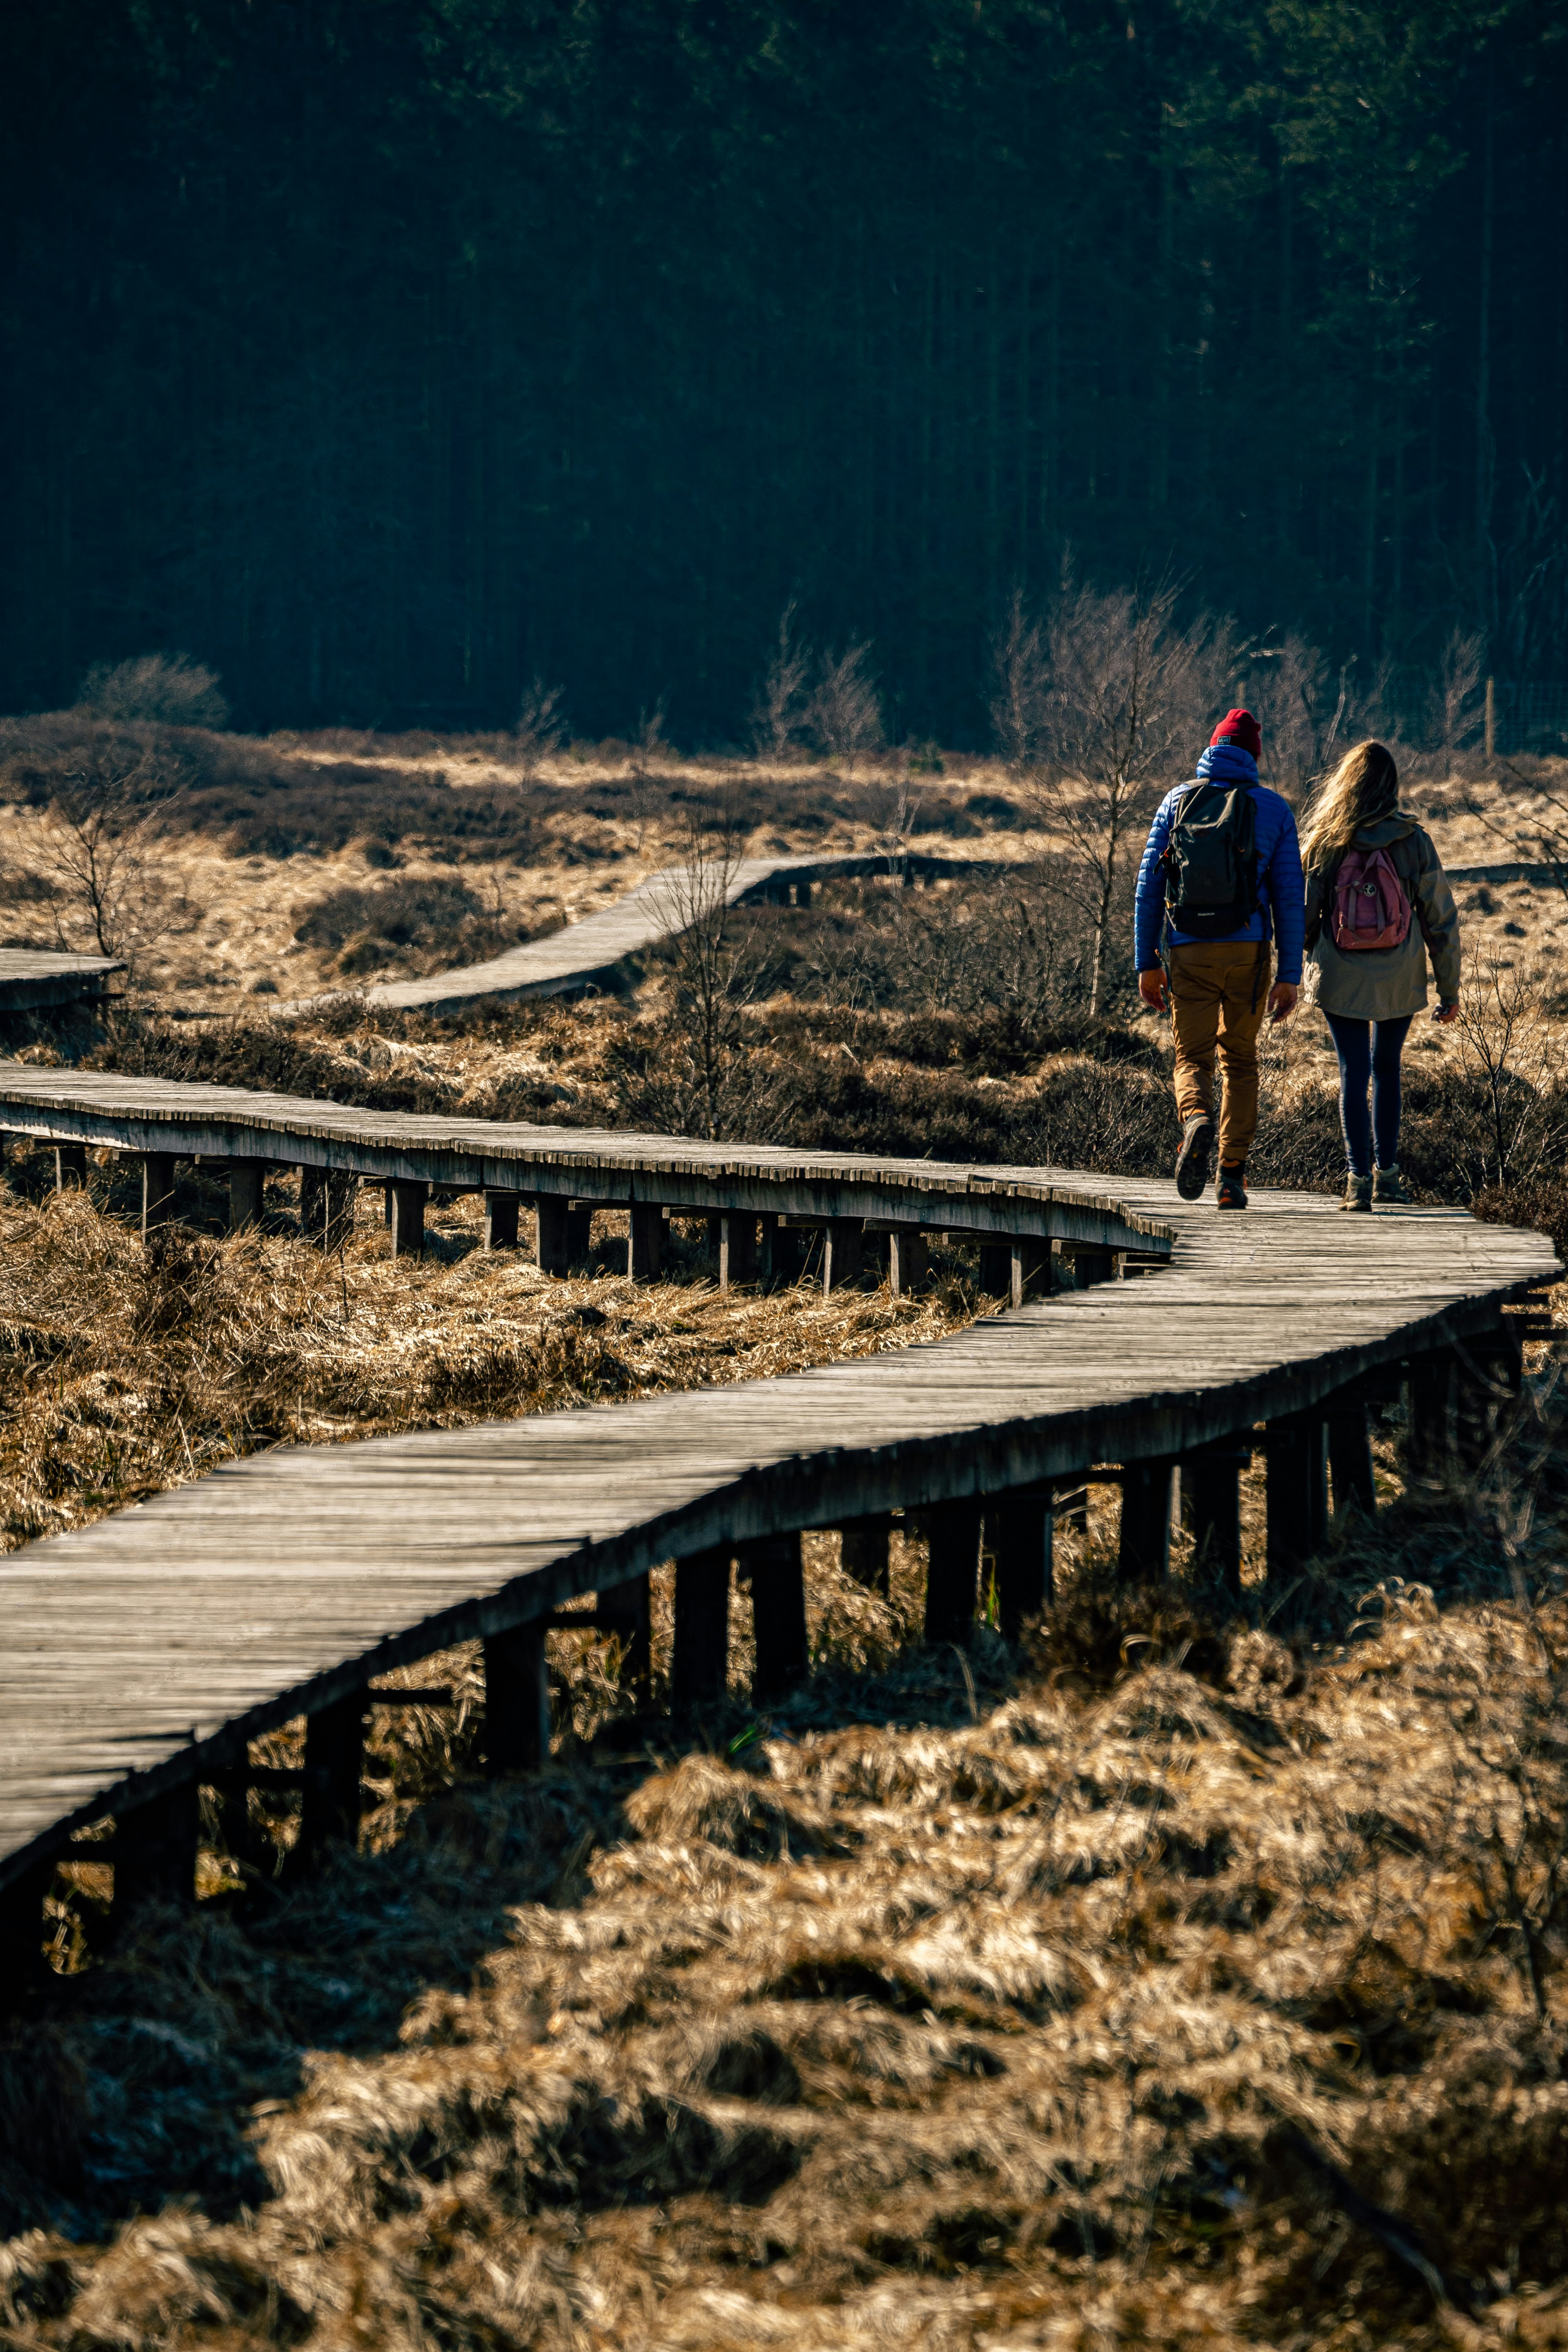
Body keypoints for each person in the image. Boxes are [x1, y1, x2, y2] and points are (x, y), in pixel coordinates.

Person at [1134, 707, 1304, 1209]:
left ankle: (1195, 1120)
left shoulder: (1176, 801)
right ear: (1254, 755)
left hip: (1188, 948)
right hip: (1247, 952)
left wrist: (1147, 960)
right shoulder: (1274, 809)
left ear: (1211, 749)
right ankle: (1231, 1176)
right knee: (1241, 1061)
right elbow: (1289, 896)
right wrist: (1289, 973)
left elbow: (1148, 888)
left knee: (1192, 1057)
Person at [1300, 740, 1460, 1210]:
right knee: (1386, 1069)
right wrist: (1448, 988)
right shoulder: (1413, 841)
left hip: (1338, 974)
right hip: (1399, 975)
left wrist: (1303, 963)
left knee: (1352, 1071)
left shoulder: (1327, 840)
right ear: (1392, 785)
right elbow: (1441, 919)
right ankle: (1388, 1176)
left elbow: (1303, 914)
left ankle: (1357, 1183)